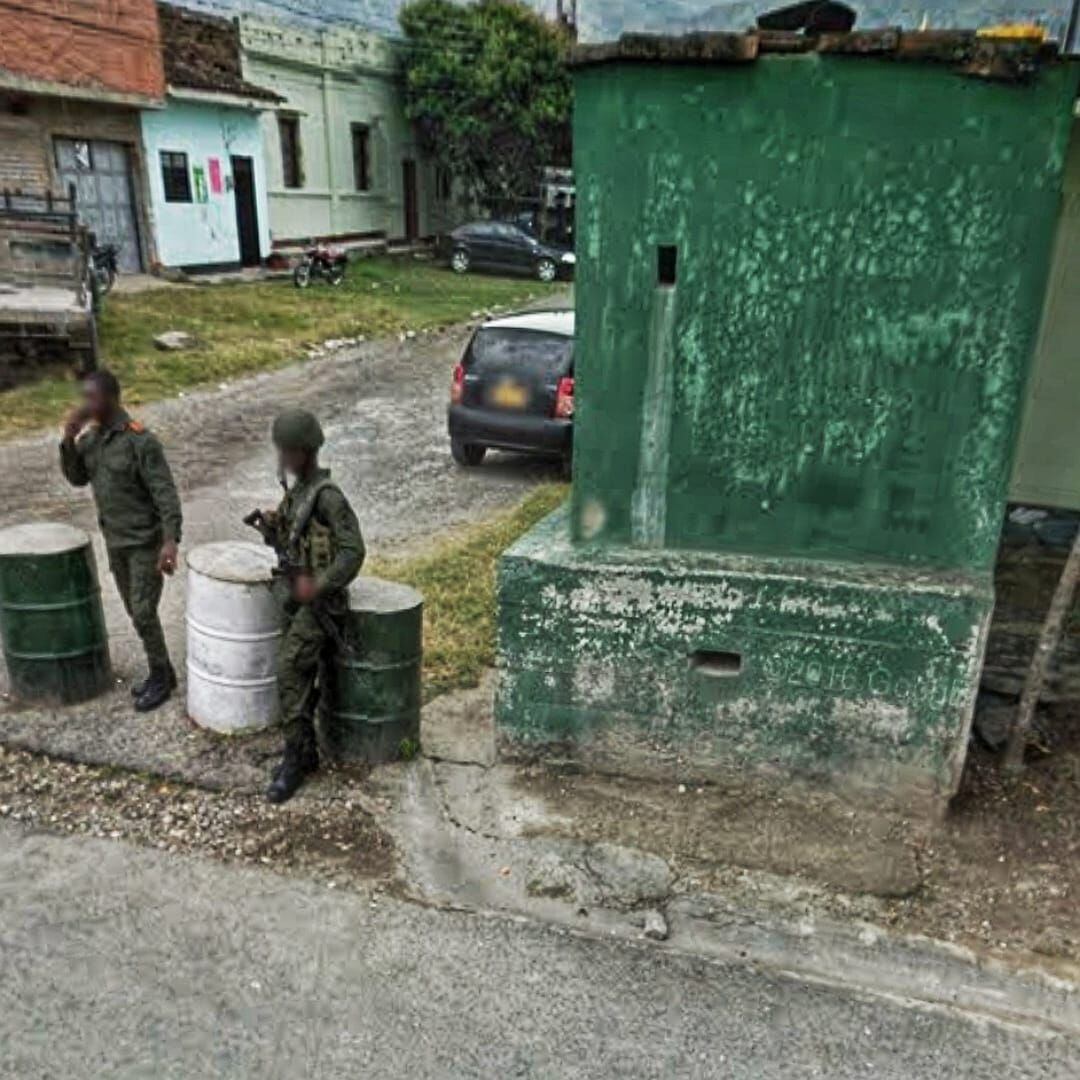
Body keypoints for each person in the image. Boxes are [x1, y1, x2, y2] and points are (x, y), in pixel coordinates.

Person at [59, 369, 182, 711]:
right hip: (116, 543)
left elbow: (166, 495)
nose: (86, 404)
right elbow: (77, 478)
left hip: (146, 544)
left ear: (112, 399)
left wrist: (170, 541)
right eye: (84, 397)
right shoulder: (91, 441)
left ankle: (161, 676)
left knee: (143, 612)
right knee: (133, 611)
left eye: (92, 397)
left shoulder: (140, 441)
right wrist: (69, 439)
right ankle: (164, 672)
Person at [261, 408, 364, 804]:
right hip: (295, 599)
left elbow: (353, 551)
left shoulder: (326, 498)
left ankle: (297, 759)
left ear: (305, 452)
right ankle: (305, 749)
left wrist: (317, 585)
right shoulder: (297, 493)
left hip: (323, 606)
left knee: (289, 668)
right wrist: (270, 527)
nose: (282, 459)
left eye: (287, 451)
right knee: (297, 674)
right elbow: (291, 543)